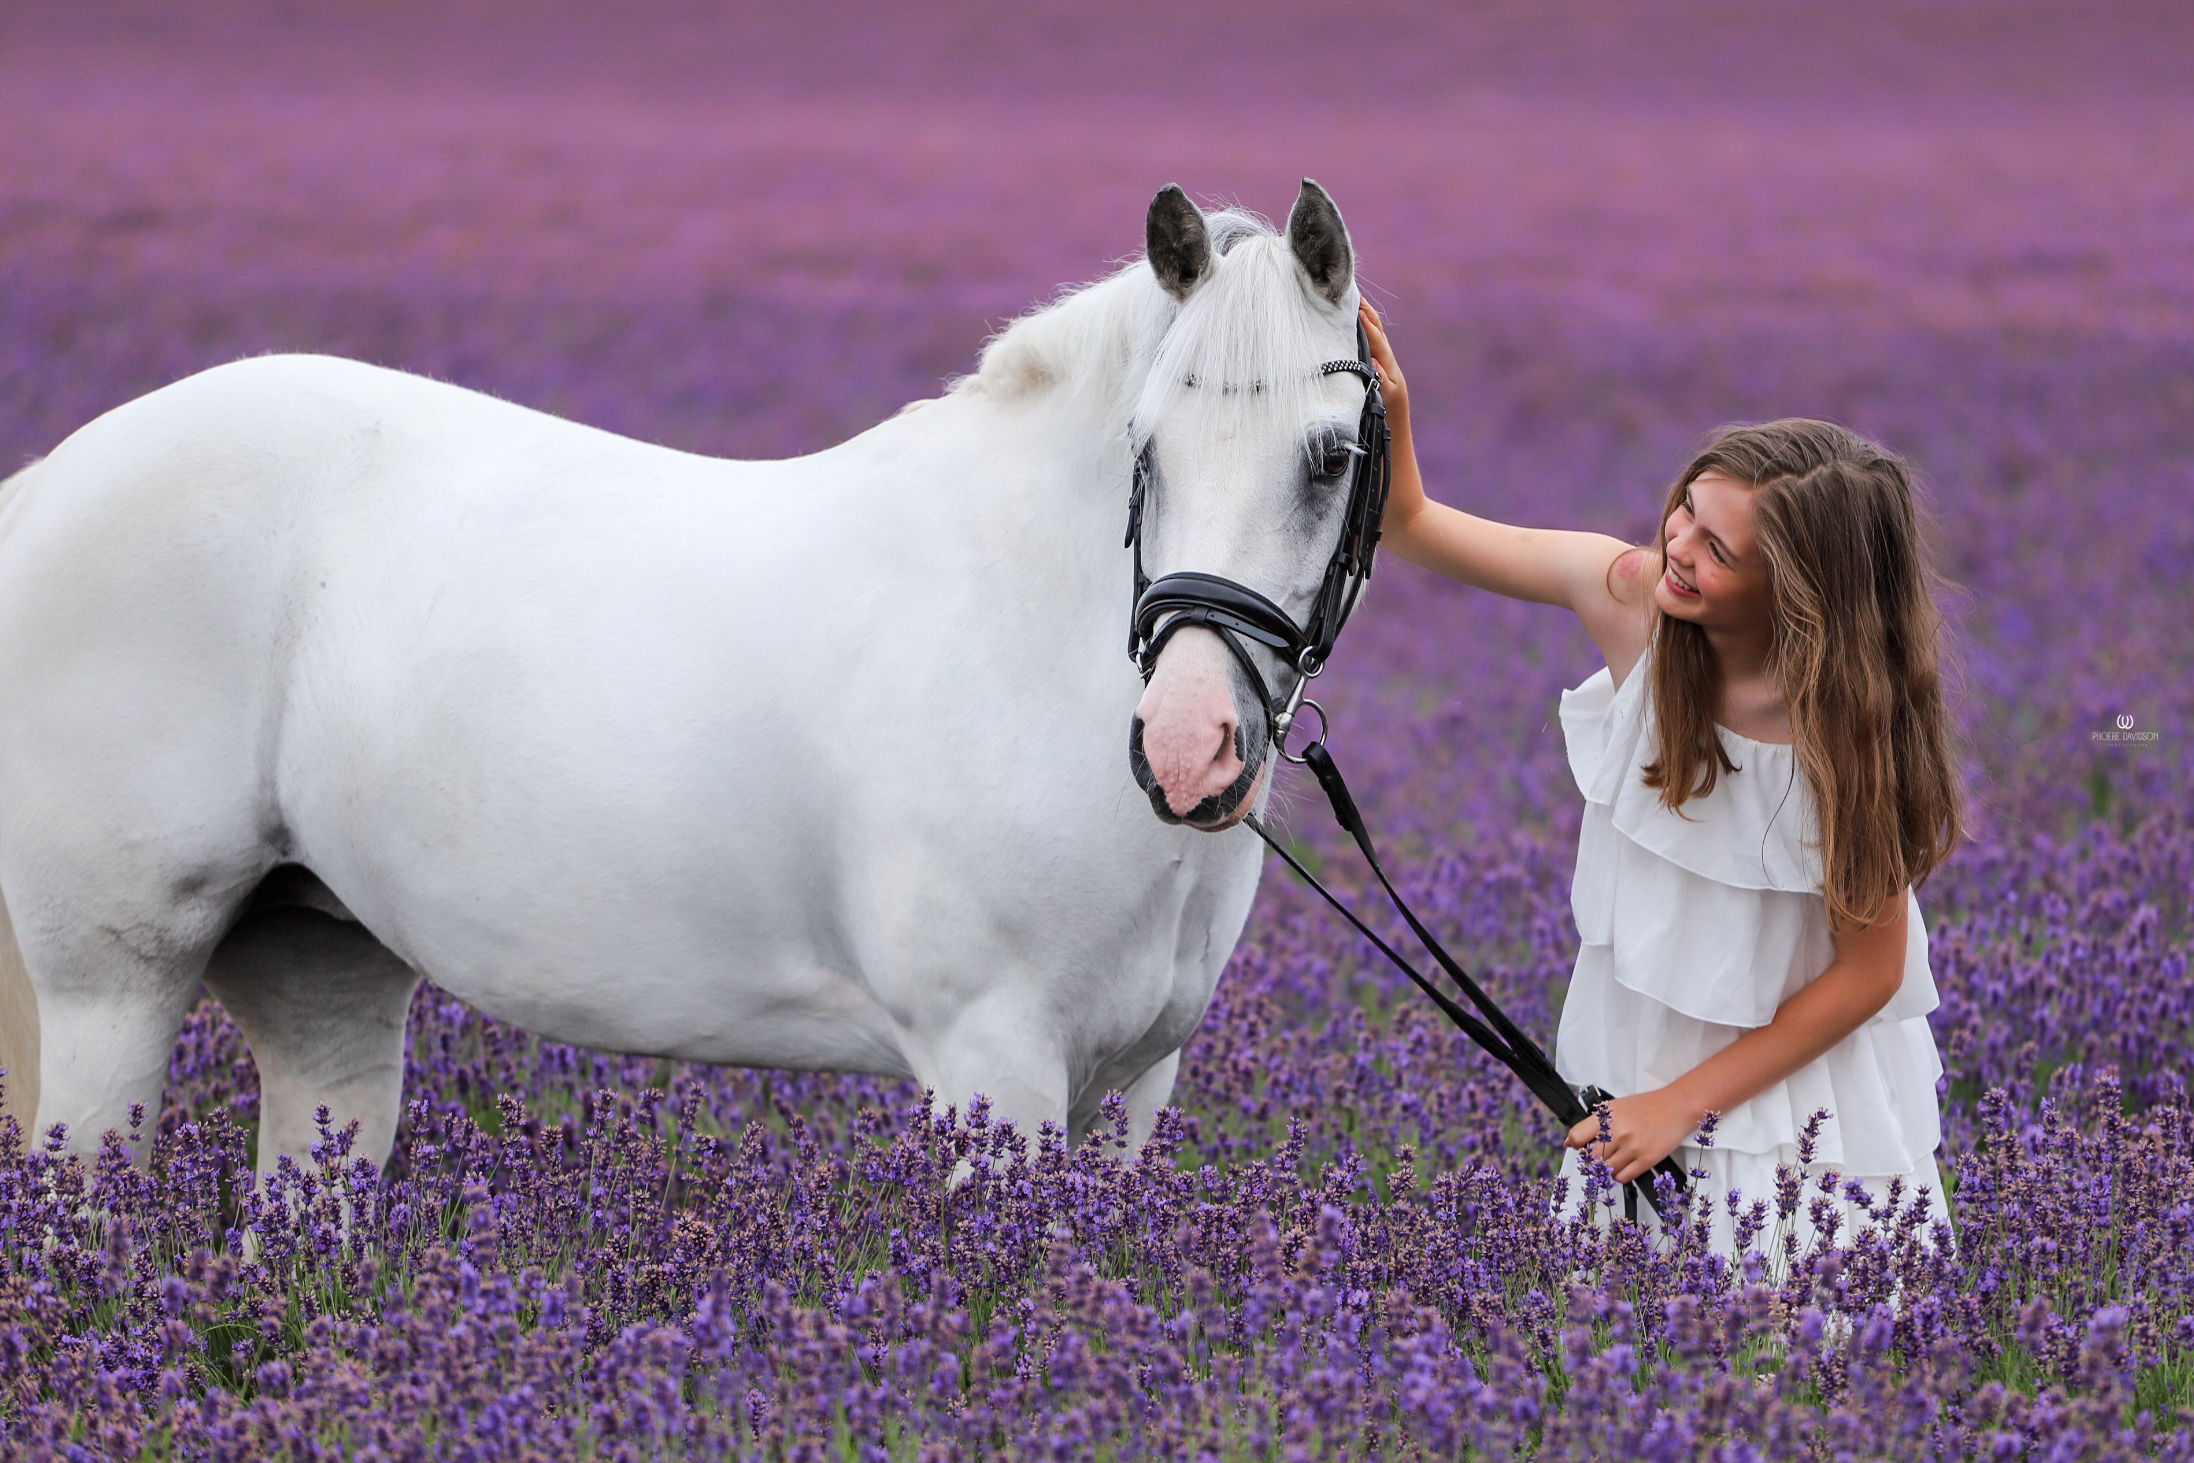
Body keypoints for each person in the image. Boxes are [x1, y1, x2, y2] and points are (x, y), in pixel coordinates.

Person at [1357, 300, 1964, 1280]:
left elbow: (1868, 974)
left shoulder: (1846, 732)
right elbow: (1412, 524)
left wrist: (1683, 1105)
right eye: (1686, 510)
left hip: (1790, 1093)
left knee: (1796, 1337)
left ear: (1799, 595)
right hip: (1635, 1061)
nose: (1678, 545)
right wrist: (1393, 413)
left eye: (1720, 550)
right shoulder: (1632, 597)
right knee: (1624, 1333)